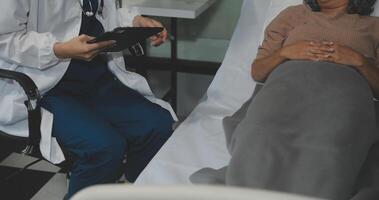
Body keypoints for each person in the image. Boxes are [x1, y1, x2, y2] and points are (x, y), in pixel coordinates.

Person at [192, 1, 379, 200]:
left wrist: (359, 61)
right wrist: (285, 53)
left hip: (343, 95)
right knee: (259, 135)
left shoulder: (374, 27)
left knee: (331, 144)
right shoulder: (293, 16)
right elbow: (258, 71)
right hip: (286, 88)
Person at [0, 0, 176, 198]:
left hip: (93, 77)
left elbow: (98, 13)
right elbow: (5, 37)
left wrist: (134, 21)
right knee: (104, 148)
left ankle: (133, 191)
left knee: (156, 124)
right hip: (44, 86)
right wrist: (58, 49)